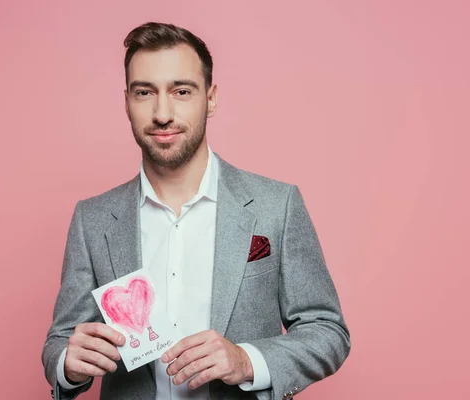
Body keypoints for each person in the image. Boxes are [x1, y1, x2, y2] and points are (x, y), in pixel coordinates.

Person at [42, 22, 350, 400]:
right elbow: (61, 339)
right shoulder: (92, 220)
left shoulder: (277, 205)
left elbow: (327, 330)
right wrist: (68, 365)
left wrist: (246, 360)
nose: (162, 113)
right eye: (144, 93)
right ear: (126, 103)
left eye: (181, 91)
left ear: (211, 98)